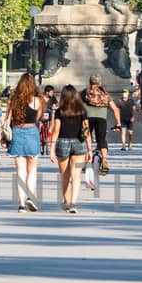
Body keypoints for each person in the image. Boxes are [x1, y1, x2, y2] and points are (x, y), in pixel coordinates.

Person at [5, 72, 45, 211]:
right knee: (32, 170)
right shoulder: (38, 101)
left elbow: (7, 120)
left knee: (20, 171)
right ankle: (30, 197)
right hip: (32, 133)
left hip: (17, 133)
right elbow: (37, 119)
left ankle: (21, 204)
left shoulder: (14, 101)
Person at [52, 85, 90, 214]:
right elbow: (86, 130)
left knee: (65, 175)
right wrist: (90, 148)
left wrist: (51, 149)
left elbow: (56, 131)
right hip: (79, 142)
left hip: (62, 142)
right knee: (76, 175)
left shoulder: (59, 111)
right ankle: (73, 203)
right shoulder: (82, 111)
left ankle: (67, 202)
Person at [83, 76, 114, 173]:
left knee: (86, 137)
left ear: (90, 82)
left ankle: (87, 161)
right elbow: (115, 109)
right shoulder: (104, 93)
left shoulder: (85, 92)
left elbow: (76, 104)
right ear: (100, 82)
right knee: (101, 139)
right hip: (102, 119)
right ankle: (104, 160)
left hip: (87, 118)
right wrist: (118, 123)